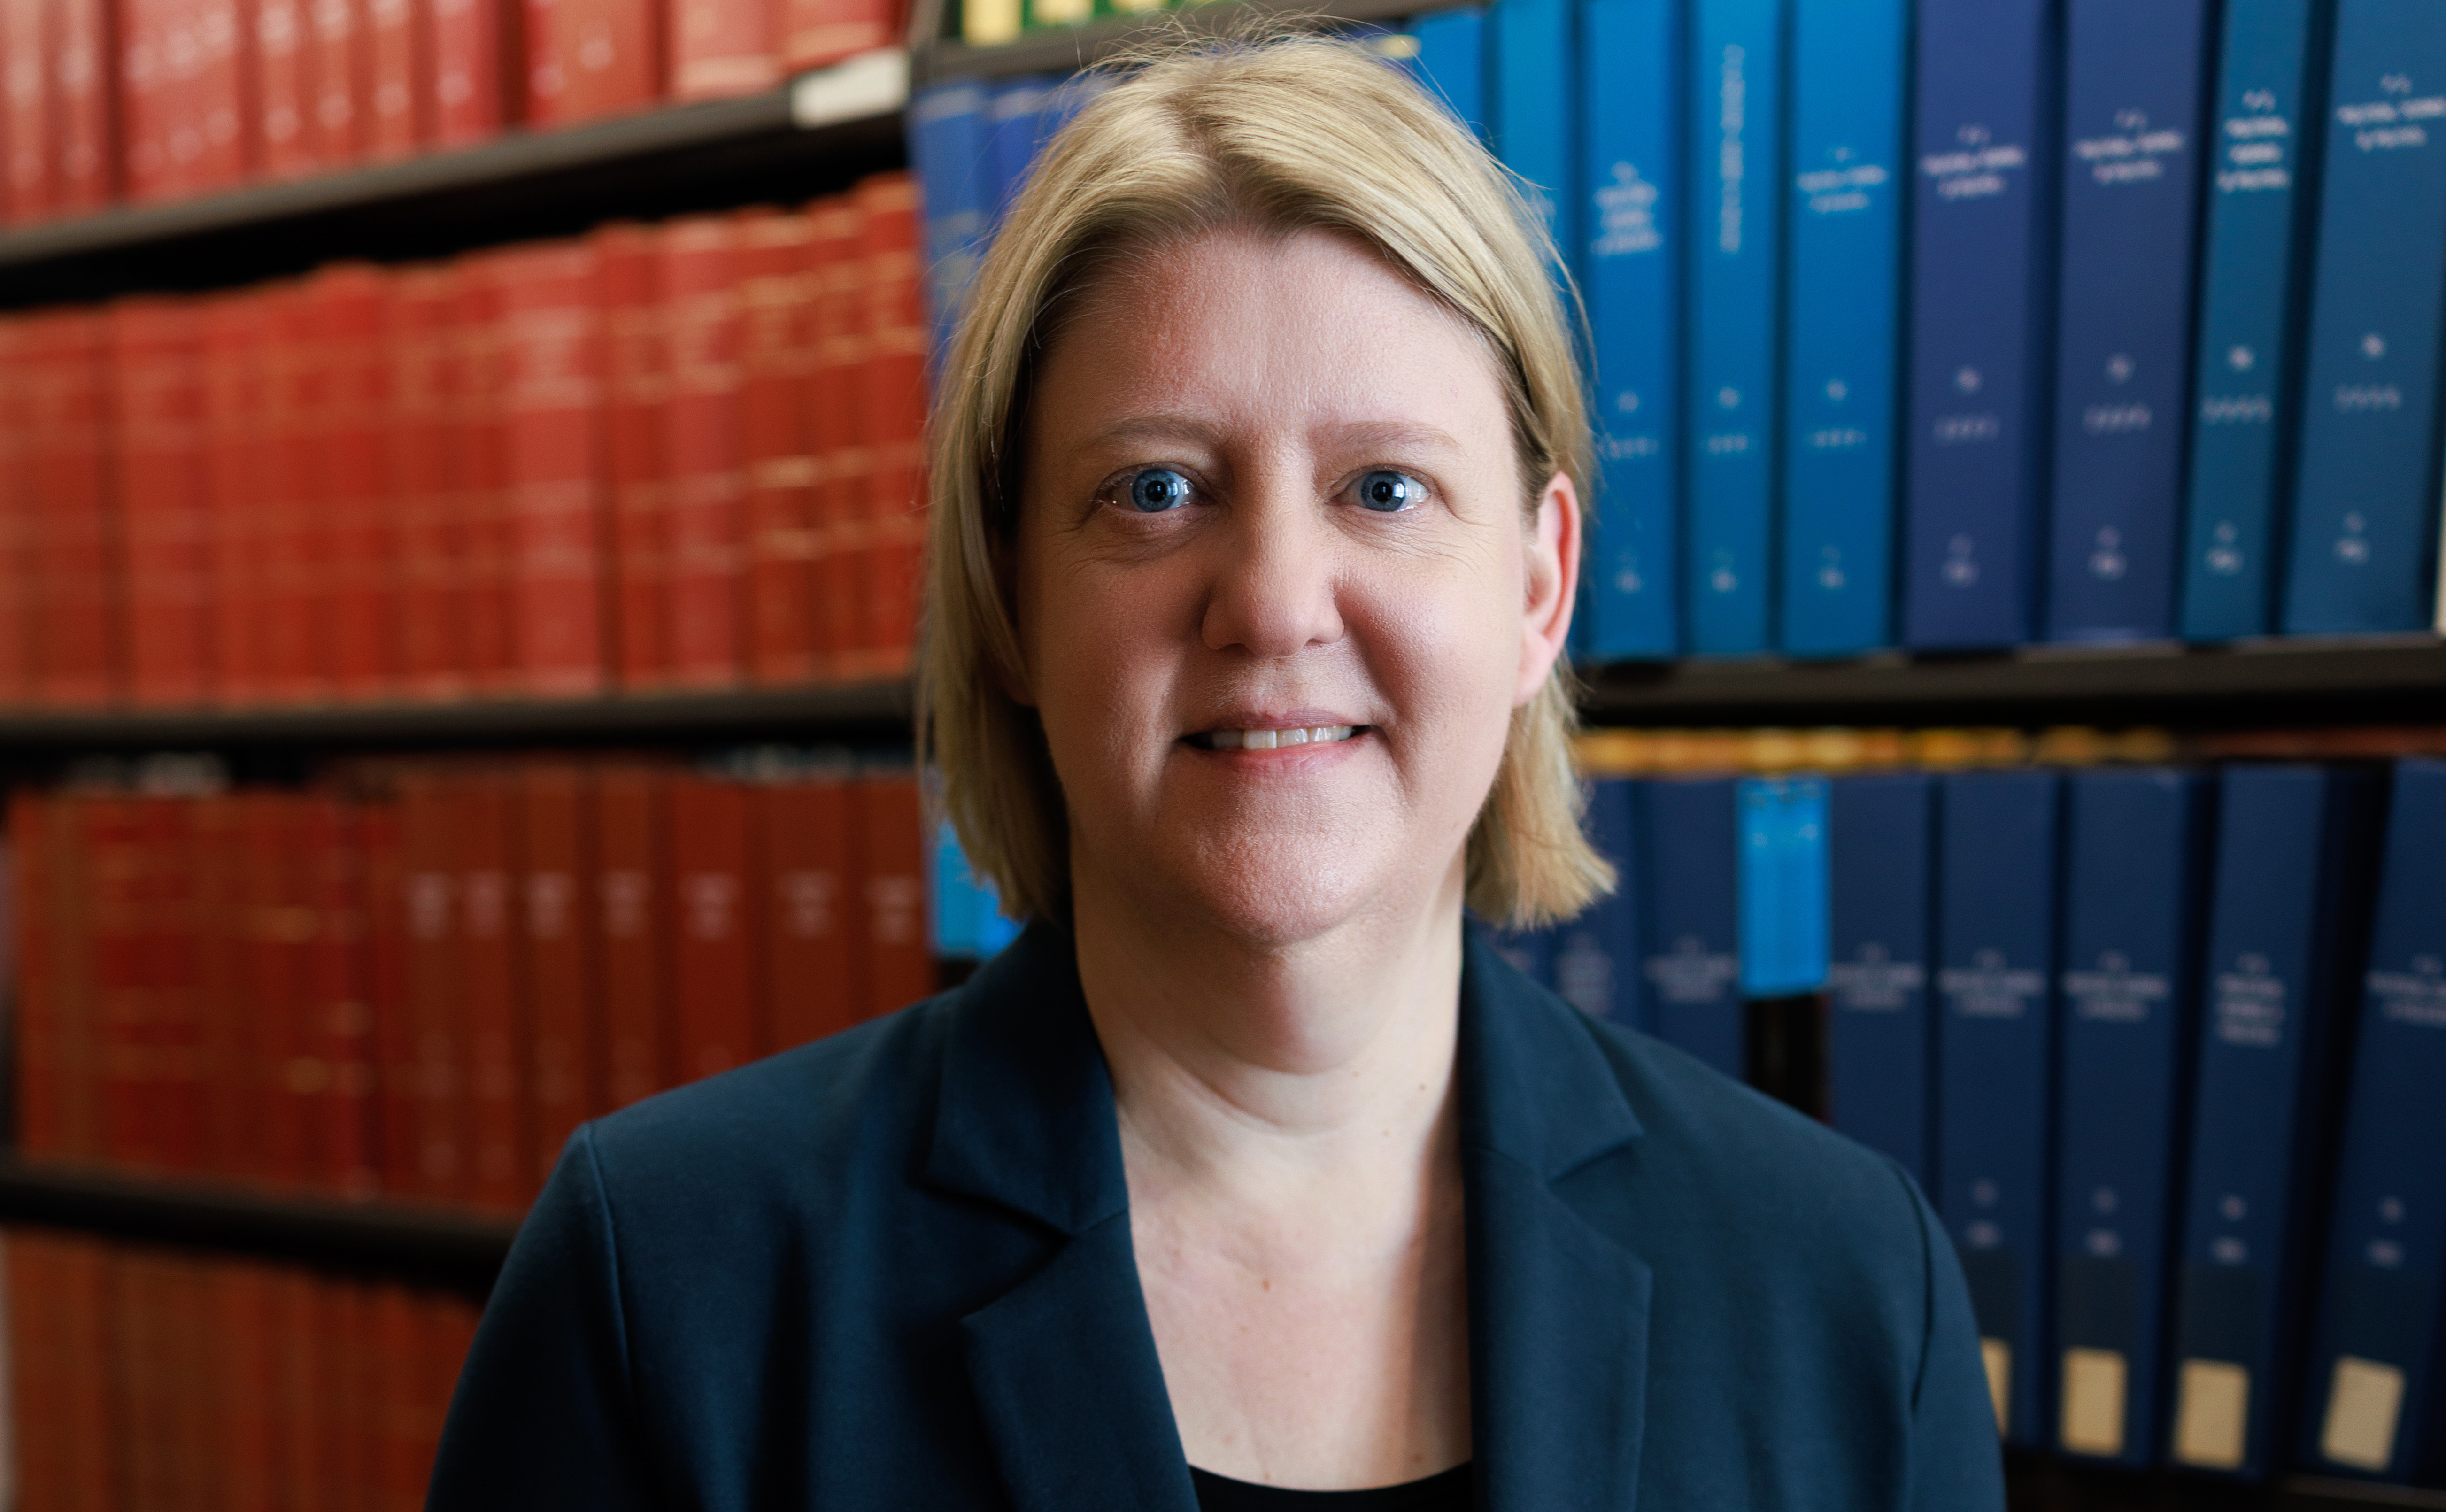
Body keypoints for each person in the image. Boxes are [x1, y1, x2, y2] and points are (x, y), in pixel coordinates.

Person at [427, 33, 2004, 1511]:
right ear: (1009, 604)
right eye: (1157, 488)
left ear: (1536, 592)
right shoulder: (668, 1282)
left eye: (1383, 487)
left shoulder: (1850, 1288)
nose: (1271, 601)